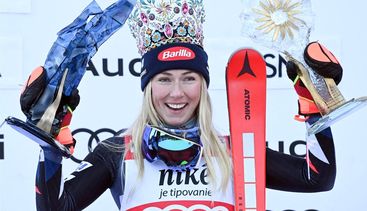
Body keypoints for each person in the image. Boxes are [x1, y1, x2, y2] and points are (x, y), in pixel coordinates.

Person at [20, 0, 339, 210]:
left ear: (203, 83)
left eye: (189, 78)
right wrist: (50, 142)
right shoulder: (117, 153)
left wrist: (315, 109)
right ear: (147, 87)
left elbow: (318, 178)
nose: (177, 93)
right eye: (163, 79)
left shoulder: (236, 152)